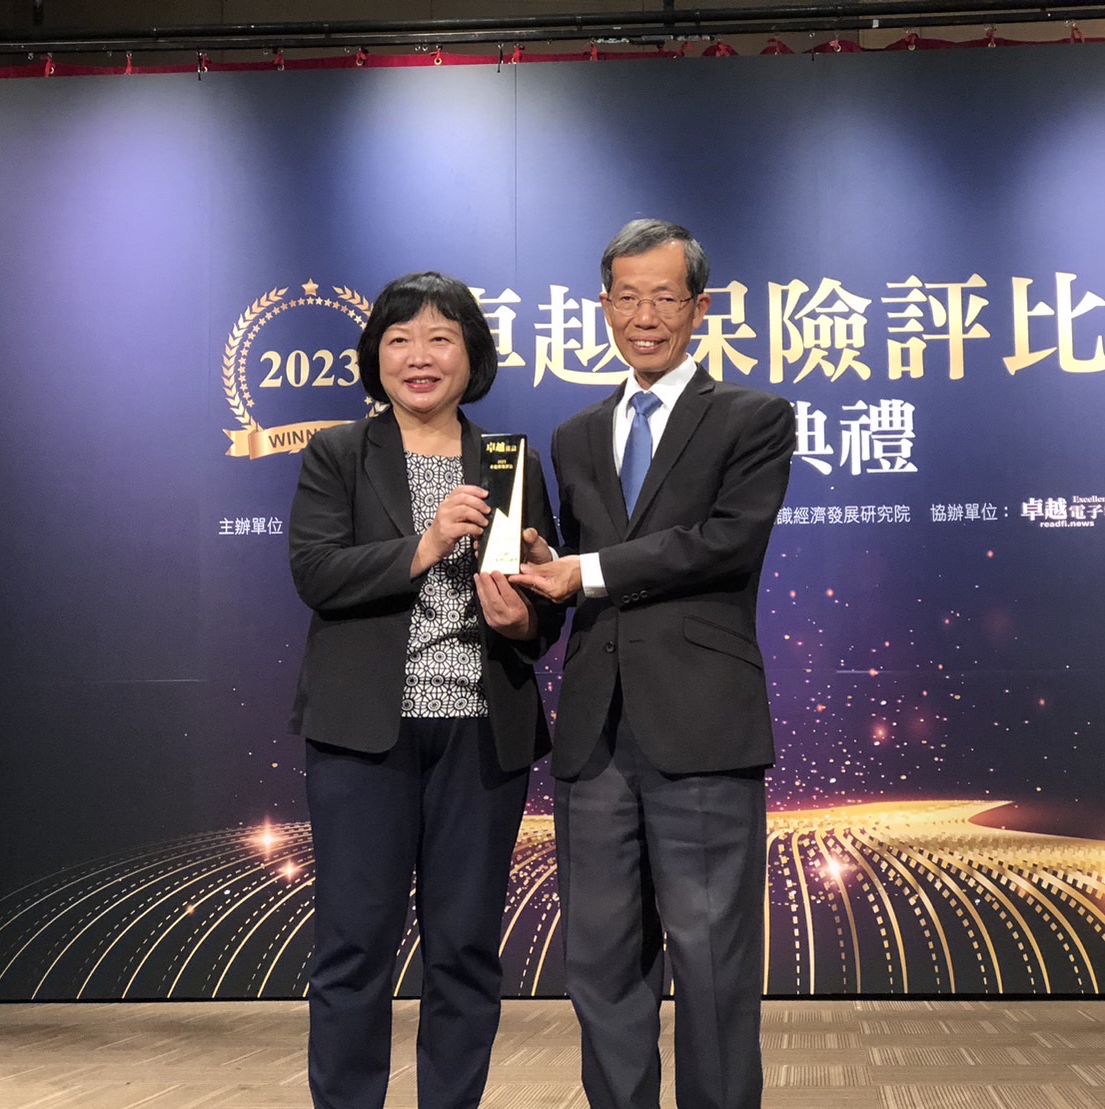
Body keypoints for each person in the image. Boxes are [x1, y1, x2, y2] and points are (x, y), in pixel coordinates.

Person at [511, 220, 794, 1109]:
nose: (645, 316)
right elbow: (570, 576)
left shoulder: (752, 418)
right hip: (593, 737)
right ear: (602, 306)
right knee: (599, 966)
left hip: (701, 727)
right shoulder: (574, 435)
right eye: (627, 298)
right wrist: (536, 585)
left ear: (698, 308)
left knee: (712, 963)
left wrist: (586, 569)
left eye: (665, 297)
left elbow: (725, 542)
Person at [287, 271, 561, 1109]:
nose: (419, 355)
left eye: (441, 338)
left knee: (465, 948)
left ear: (471, 355)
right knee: (355, 945)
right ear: (375, 355)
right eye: (400, 338)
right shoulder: (339, 453)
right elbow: (316, 572)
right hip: (365, 736)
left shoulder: (509, 461)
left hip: (480, 735)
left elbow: (542, 611)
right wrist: (426, 541)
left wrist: (523, 615)